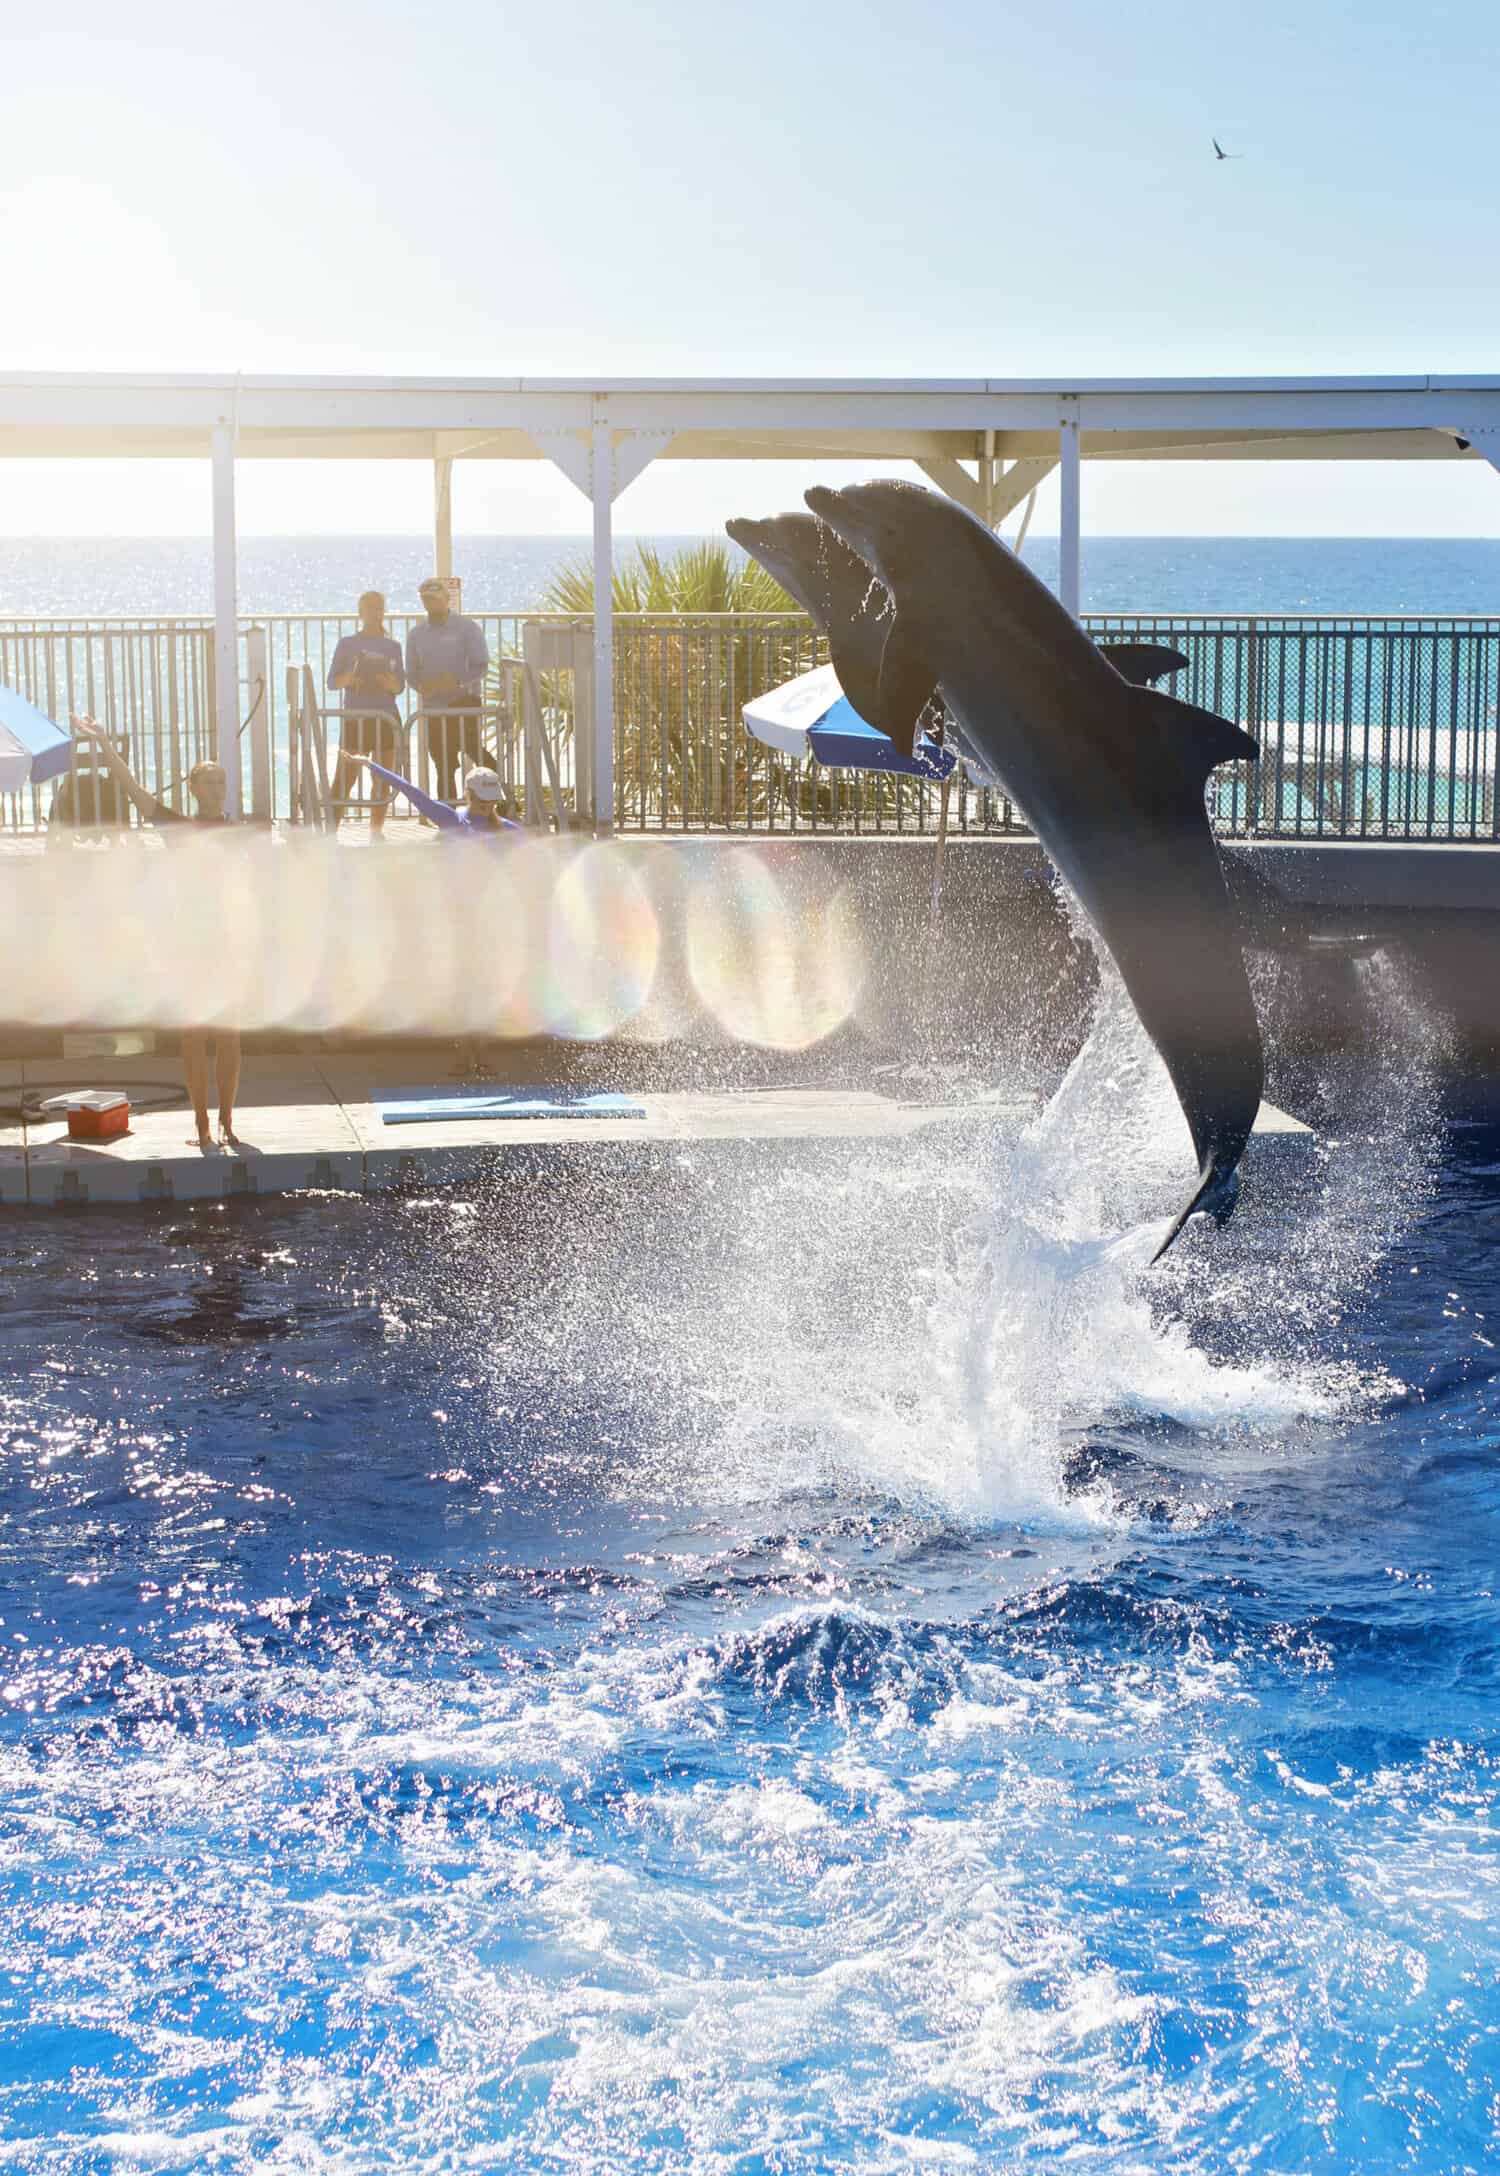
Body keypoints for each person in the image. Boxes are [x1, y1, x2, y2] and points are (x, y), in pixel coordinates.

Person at [69, 714, 244, 1151]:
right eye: (208, 783)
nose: (216, 790)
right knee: (194, 1034)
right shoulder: (178, 827)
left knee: (230, 1035)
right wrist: (105, 743)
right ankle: (202, 1121)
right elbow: (132, 789)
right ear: (192, 788)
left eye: (221, 783)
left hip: (229, 942)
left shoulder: (239, 832)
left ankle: (227, 1119)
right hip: (190, 944)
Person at [327, 591, 405, 836]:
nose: (374, 612)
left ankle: (376, 833)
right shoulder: (347, 644)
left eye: (378, 607)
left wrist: (388, 682)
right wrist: (350, 678)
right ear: (361, 612)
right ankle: (330, 832)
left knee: (382, 780)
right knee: (345, 778)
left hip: (385, 716)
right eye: (369, 607)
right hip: (356, 718)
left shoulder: (393, 646)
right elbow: (331, 682)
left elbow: (399, 686)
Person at [405, 577, 490, 800]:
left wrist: (457, 681)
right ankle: (449, 818)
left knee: (476, 753)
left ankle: (499, 804)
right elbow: (411, 673)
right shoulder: (416, 634)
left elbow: (481, 665)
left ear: (446, 599)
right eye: (425, 599)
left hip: (465, 702)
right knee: (443, 762)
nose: (430, 603)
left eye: (434, 598)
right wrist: (422, 687)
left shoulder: (467, 628)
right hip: (434, 706)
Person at [355, 755, 521, 840]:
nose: (488, 804)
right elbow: (409, 789)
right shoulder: (451, 819)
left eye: (492, 800)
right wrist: (369, 764)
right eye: (483, 799)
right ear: (468, 794)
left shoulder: (509, 829)